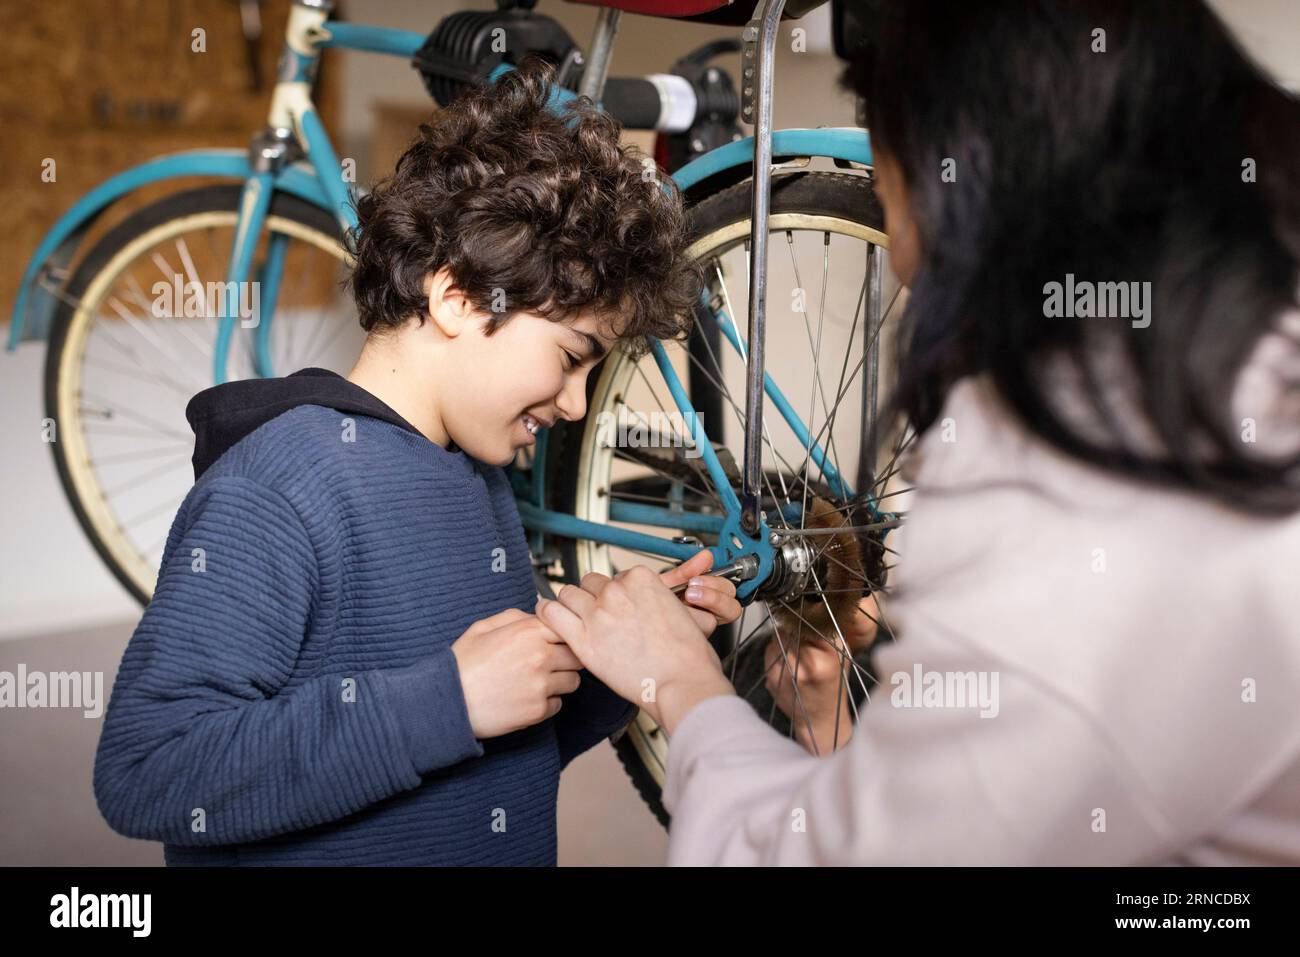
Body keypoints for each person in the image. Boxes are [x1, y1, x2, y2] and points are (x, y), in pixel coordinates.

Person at [538, 0, 1300, 865]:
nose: (897, 247)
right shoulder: (1230, 363)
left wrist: (681, 681)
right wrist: (831, 726)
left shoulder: (1081, 503)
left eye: (880, 133)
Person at [92, 58, 740, 866]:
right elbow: (148, 769)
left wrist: (611, 671)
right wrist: (451, 699)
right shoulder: (277, 488)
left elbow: (486, 765)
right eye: (572, 357)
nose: (575, 404)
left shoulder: (476, 482)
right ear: (459, 296)